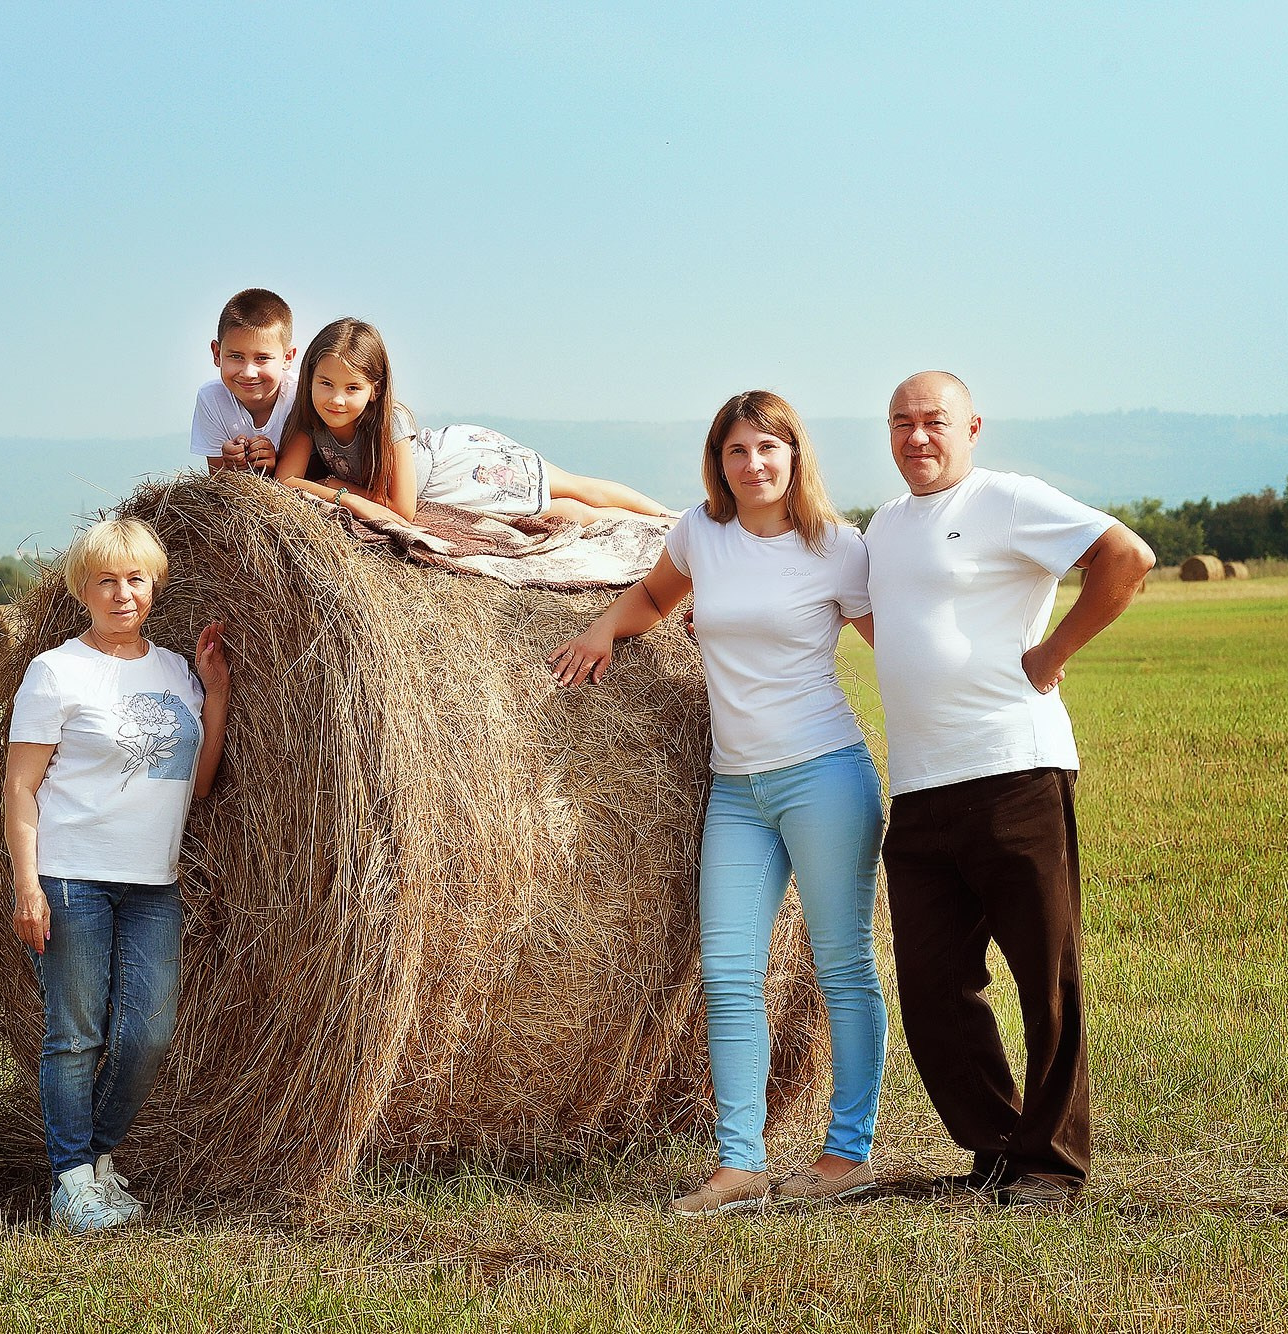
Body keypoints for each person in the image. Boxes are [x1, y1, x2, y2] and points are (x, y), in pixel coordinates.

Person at [548, 390, 887, 1217]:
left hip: (825, 775)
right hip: (738, 787)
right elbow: (655, 598)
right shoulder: (702, 534)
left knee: (843, 966)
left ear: (794, 455)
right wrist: (602, 628)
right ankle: (739, 1164)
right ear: (719, 462)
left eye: (768, 448)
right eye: (738, 451)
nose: (754, 465)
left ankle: (849, 1151)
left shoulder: (839, 549)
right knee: (730, 974)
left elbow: (895, 650)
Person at [865, 371, 1154, 1208]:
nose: (917, 437)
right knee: (930, 988)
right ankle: (995, 1147)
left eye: (934, 421)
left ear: (973, 427)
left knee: (1045, 978)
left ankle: (1053, 1165)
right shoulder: (882, 526)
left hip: (1015, 770)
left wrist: (1051, 655)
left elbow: (1125, 557)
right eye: (901, 423)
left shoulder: (1008, 500)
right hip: (919, 786)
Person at [2, 517, 231, 1232]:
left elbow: (195, 785)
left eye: (135, 579)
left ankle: (94, 1159)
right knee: (74, 1036)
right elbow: (19, 788)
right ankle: (71, 1182)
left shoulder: (173, 672)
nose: (122, 593)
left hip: (152, 884)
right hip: (73, 877)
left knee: (148, 1034)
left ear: (154, 585)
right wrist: (27, 885)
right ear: (83, 590)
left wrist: (216, 694)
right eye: (106, 580)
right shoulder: (56, 671)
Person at [273, 317, 675, 525]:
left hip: (462, 466)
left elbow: (401, 510)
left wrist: (334, 488)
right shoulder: (309, 420)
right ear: (309, 378)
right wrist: (334, 489)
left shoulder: (390, 422)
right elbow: (286, 483)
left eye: (352, 388)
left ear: (375, 389)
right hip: (443, 491)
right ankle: (635, 525)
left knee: (575, 486)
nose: (336, 399)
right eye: (325, 383)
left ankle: (665, 517)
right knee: (564, 514)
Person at [190, 288, 297, 474]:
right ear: (217, 354)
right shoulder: (211, 398)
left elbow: (313, 474)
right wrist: (229, 465)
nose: (248, 373)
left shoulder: (300, 396)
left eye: (262, 358)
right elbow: (218, 485)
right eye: (236, 356)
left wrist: (276, 463)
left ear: (287, 357)